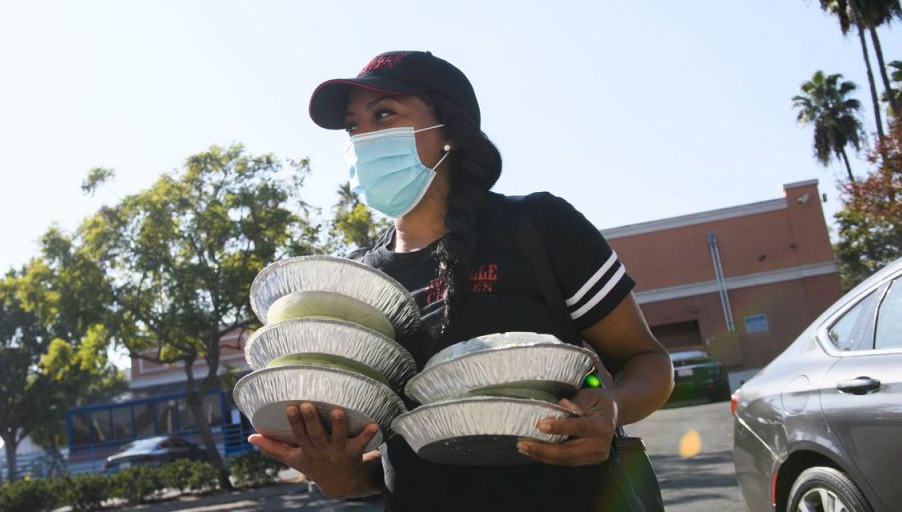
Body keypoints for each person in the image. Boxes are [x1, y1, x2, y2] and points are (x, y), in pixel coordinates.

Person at [249, 50, 674, 511]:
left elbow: (646, 361)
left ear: (449, 131)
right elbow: (391, 458)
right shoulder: (359, 287)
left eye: (384, 115)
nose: (363, 138)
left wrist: (610, 407)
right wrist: (342, 477)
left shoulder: (539, 226)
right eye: (353, 126)